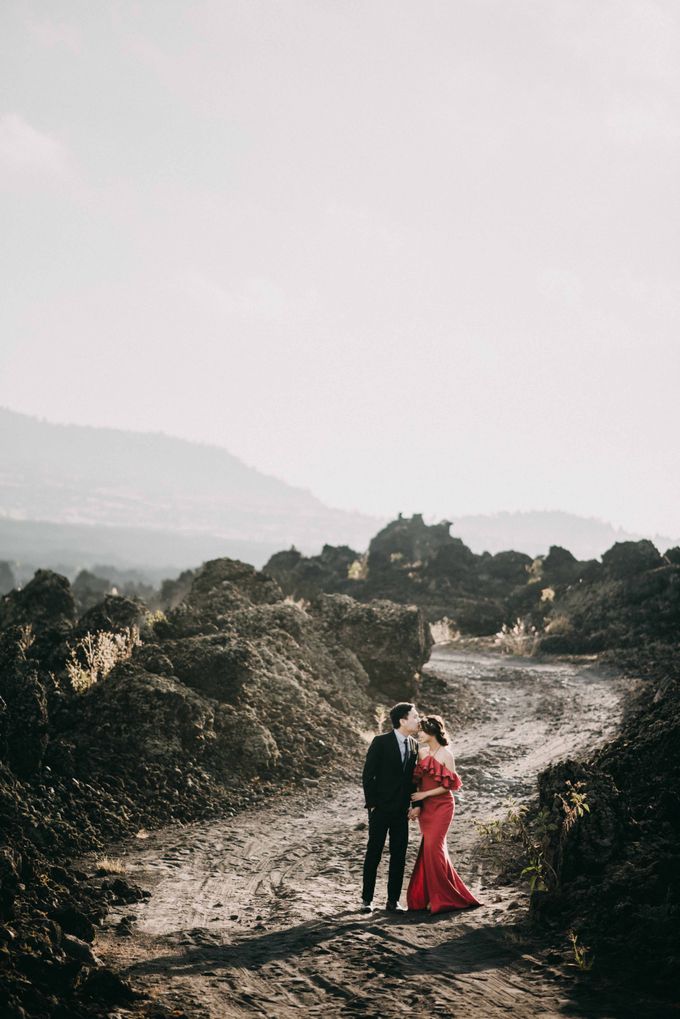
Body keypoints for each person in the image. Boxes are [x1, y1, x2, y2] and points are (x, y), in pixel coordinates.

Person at [406, 714, 481, 913]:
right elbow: (418, 781)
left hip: (442, 806)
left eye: (422, 731)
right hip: (426, 808)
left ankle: (443, 898)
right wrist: (417, 805)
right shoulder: (421, 753)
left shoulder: (447, 755)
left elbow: (450, 786)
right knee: (432, 850)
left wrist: (425, 794)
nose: (419, 734)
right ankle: (434, 895)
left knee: (434, 848)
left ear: (432, 731)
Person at [361, 702, 420, 913]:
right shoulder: (381, 742)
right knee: (374, 853)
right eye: (415, 716)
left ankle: (392, 901)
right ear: (402, 720)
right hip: (380, 809)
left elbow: (415, 780)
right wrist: (373, 805)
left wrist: (416, 805)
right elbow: (368, 775)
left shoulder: (414, 745)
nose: (418, 720)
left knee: (399, 854)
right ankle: (366, 899)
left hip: (402, 810)